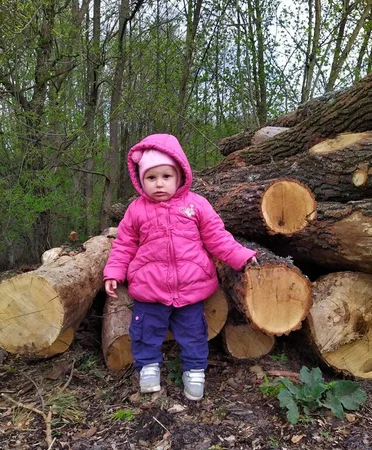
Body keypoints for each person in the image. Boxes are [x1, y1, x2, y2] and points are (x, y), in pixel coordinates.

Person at [103, 133, 257, 401]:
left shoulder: (196, 205)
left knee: (194, 333)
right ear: (140, 181)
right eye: (151, 178)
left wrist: (240, 256)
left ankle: (195, 372)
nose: (159, 184)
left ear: (180, 175)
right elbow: (124, 244)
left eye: (166, 176)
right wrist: (114, 272)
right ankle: (148, 368)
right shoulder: (136, 210)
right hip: (150, 287)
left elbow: (217, 238)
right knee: (144, 331)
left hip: (191, 286)